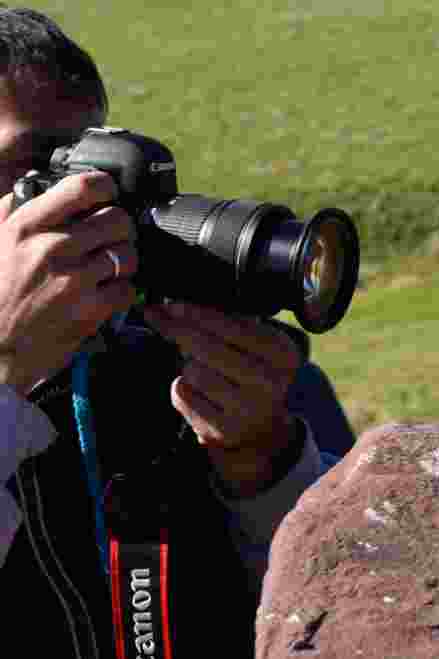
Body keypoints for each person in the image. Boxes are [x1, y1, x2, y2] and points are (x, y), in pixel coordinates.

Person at [0, 7, 356, 658]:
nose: (76, 203)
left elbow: (357, 612)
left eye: (84, 163)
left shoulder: (185, 360)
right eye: (30, 173)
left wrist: (264, 468)